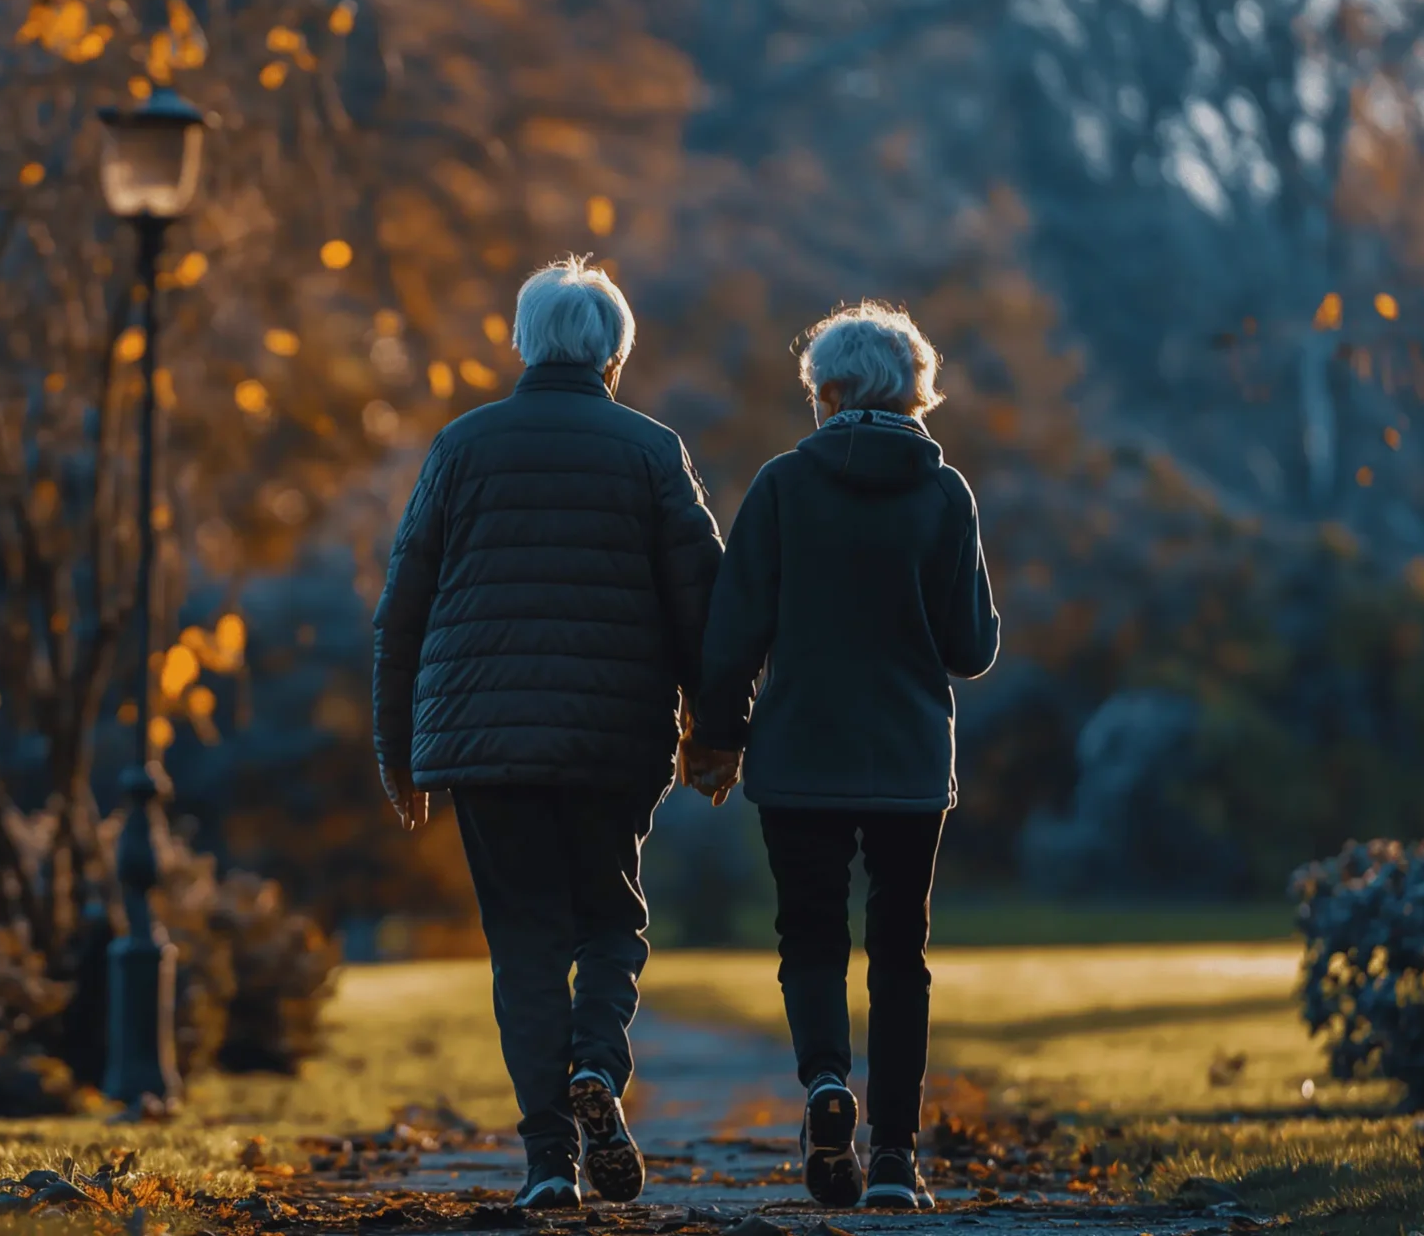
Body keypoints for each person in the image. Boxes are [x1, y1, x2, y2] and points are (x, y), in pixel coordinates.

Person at [373, 257, 741, 1210]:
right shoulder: (653, 451)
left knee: (525, 945)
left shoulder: (462, 446)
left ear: (524, 345)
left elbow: (402, 608)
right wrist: (715, 733)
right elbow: (706, 606)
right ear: (615, 354)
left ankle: (548, 1162)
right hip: (612, 739)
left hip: (483, 744)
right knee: (613, 920)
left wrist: (397, 750)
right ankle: (595, 1065)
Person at [688, 302, 1001, 1211]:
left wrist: (717, 735)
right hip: (907, 758)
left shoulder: (783, 485)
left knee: (812, 938)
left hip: (799, 753)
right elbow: (971, 647)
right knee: (902, 951)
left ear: (825, 392)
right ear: (915, 390)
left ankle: (828, 1086)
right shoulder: (946, 495)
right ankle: (898, 1157)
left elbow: (732, 633)